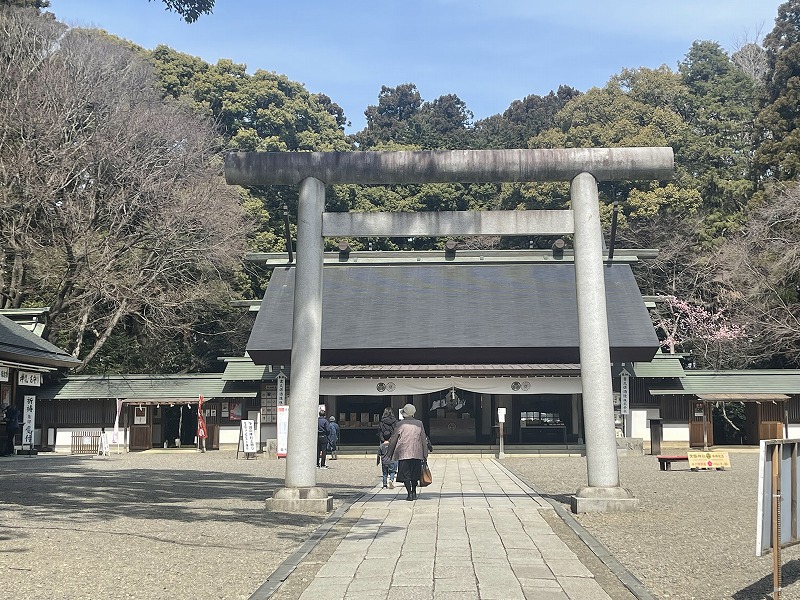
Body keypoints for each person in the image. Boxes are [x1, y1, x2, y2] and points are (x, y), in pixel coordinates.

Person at [387, 403, 429, 501]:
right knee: (415, 474)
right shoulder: (419, 423)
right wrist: (425, 453)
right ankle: (414, 491)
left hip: (403, 452)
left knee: (405, 474)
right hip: (416, 452)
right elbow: (423, 439)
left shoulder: (400, 424)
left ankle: (409, 493)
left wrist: (390, 452)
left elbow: (393, 439)